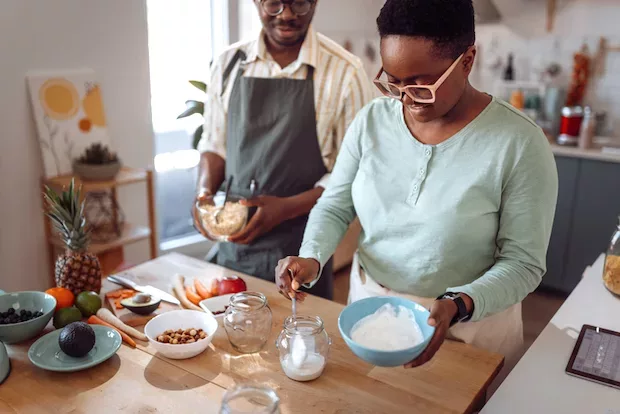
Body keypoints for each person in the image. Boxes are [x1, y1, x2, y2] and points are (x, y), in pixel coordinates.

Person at [275, 0, 558, 380]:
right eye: (393, 80)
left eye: (421, 84)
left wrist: (457, 304)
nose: (405, 98)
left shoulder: (519, 144)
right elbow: (336, 205)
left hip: (468, 328)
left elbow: (523, 264)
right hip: (370, 310)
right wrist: (311, 257)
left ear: (467, 60)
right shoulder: (372, 121)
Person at [194, 0, 373, 300]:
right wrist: (203, 194)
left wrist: (285, 208)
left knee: (301, 341)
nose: (287, 15)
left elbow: (352, 176)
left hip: (302, 254)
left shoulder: (346, 73)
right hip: (235, 251)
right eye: (274, 3)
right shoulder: (227, 64)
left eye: (299, 3)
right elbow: (214, 144)